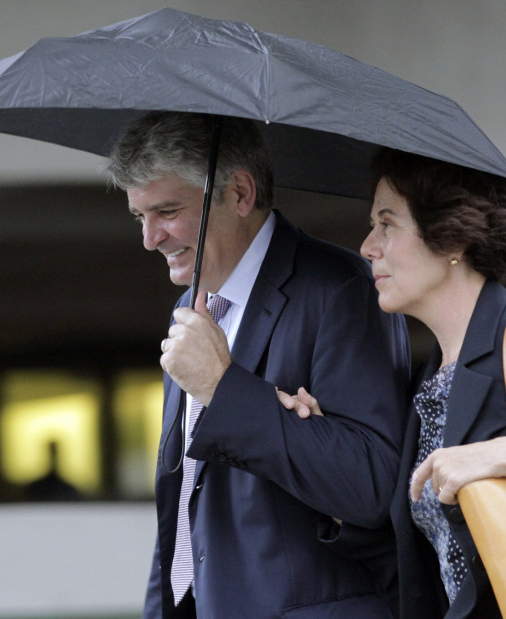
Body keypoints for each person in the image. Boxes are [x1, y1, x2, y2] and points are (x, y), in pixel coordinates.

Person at [278, 149, 506, 618]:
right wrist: (327, 453)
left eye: (387, 223)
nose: (368, 246)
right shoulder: (423, 386)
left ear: (451, 236)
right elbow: (425, 567)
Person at [106, 112, 410, 618]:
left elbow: (375, 486)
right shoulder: (189, 310)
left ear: (241, 194)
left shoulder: (342, 288)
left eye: (168, 211)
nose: (150, 238)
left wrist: (223, 388)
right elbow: (185, 504)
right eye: (141, 217)